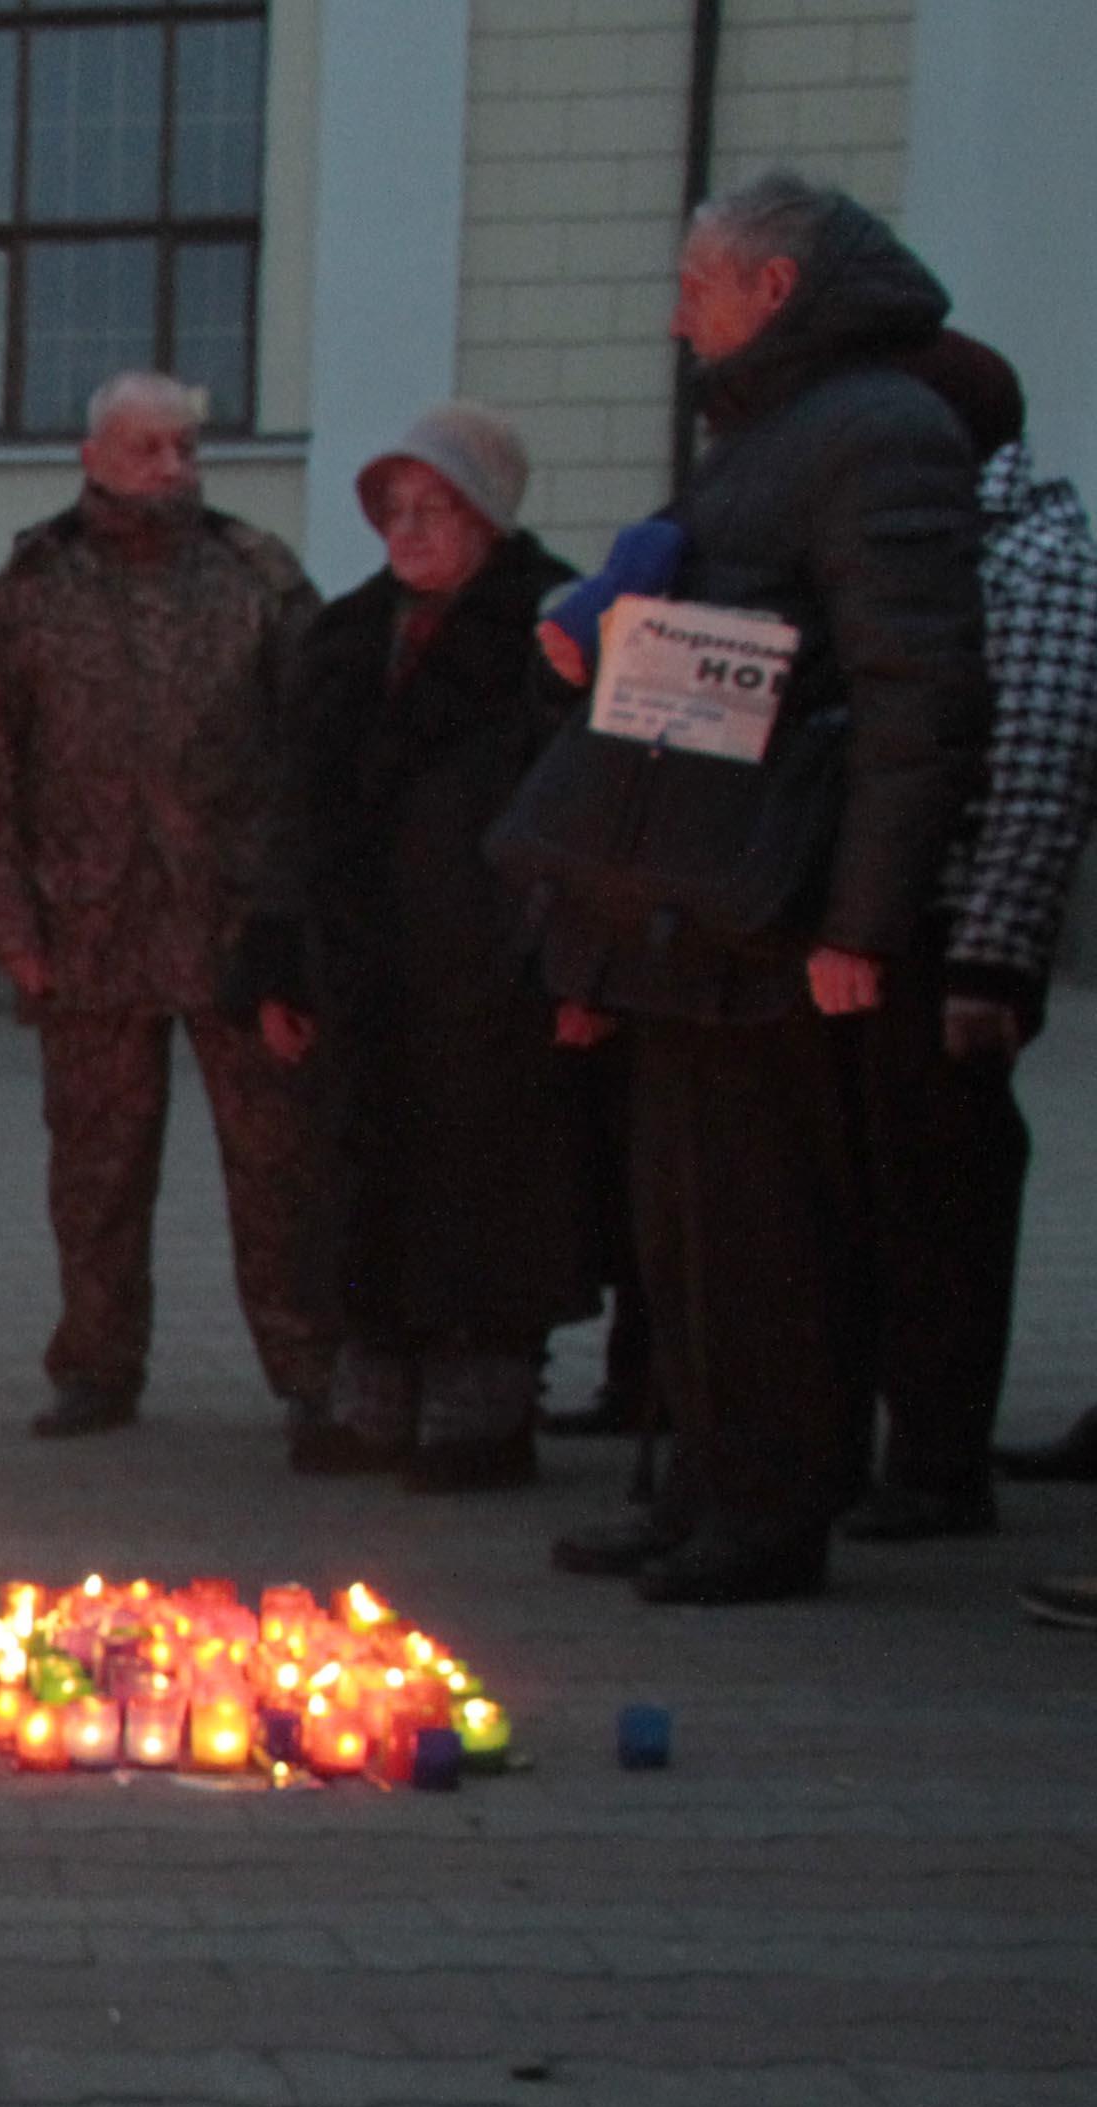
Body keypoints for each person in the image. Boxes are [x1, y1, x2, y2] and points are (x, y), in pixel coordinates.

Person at [509, 175, 986, 1607]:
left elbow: (916, 695)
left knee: (767, 1225)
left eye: (694, 286)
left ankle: (770, 1509)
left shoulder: (881, 433)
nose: (672, 315)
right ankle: (701, 1485)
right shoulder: (777, 433)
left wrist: (860, 921)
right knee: (686, 1222)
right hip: (701, 890)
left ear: (773, 288)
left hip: (779, 901)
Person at [0, 367, 328, 1445]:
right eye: (147, 449)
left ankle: (311, 1369)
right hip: (87, 931)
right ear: (92, 458)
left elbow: (321, 755)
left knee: (277, 1164)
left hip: (236, 933)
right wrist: (9, 931)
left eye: (185, 449)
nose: (170, 468)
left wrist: (298, 928)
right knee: (95, 1170)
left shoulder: (257, 577)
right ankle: (98, 1366)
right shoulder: (35, 587)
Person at [239, 403, 594, 1492]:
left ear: (487, 513)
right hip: (362, 968)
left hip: (496, 966)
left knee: (486, 1188)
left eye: (433, 507)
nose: (408, 530)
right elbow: (292, 808)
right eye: (392, 509)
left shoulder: (556, 628)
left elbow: (586, 806)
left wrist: (582, 968)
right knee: (362, 1177)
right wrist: (276, 961)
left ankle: (481, 1408)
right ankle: (372, 1398)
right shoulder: (346, 638)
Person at [858, 331, 1092, 1546]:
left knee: (943, 1206)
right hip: (891, 922)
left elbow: (1035, 769)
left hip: (955, 935)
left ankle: (939, 1462)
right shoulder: (935, 543)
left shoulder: (1032, 557)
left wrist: (990, 959)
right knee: (888, 1199)